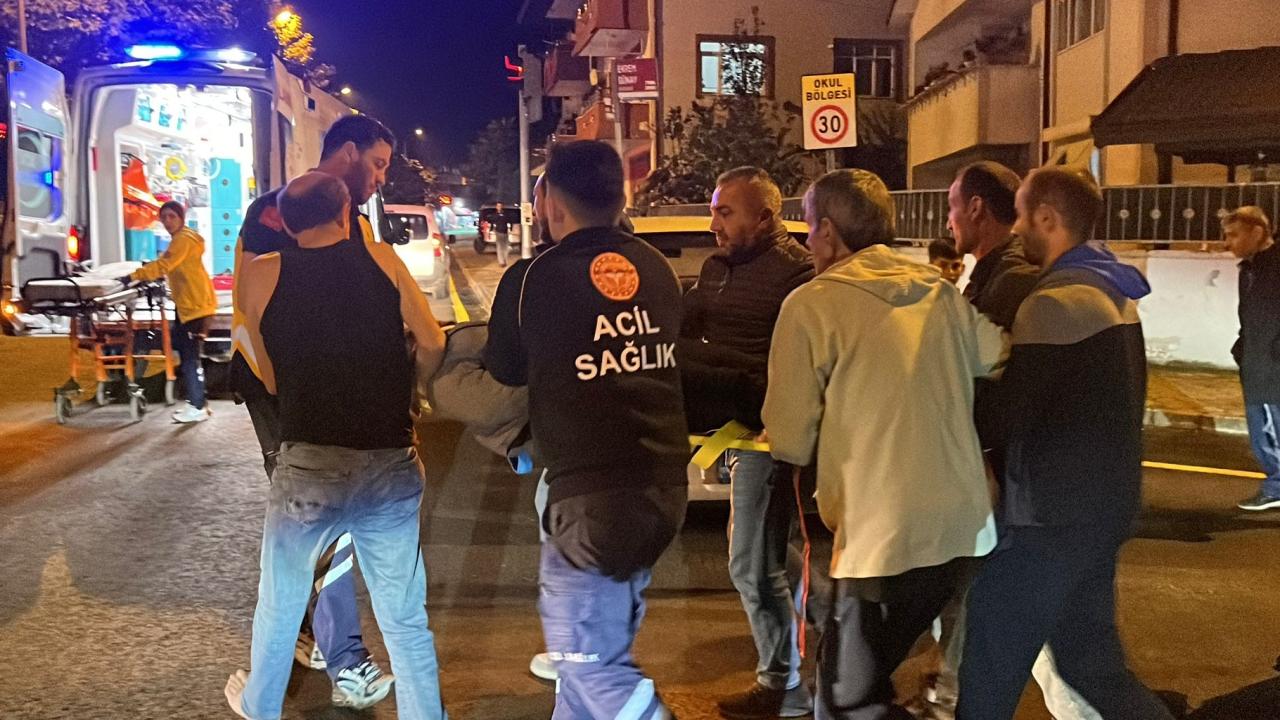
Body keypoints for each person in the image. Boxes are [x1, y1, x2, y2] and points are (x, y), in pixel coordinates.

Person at [763, 168, 1003, 719]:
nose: (807, 241)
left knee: (843, 699)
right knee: (863, 687)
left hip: (881, 536)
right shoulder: (939, 292)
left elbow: (790, 437)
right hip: (961, 526)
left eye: (809, 228)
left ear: (828, 232)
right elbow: (997, 354)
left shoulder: (811, 304)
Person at [226, 171, 448, 720]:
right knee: (403, 617)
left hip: (309, 463)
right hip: (390, 461)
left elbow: (265, 371)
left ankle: (260, 705)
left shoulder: (261, 275)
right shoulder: (382, 260)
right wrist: (414, 387)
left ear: (286, 223)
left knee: (280, 603)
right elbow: (433, 340)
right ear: (346, 213)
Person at [957, 168, 1174, 720]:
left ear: (1047, 218)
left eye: (1022, 216)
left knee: (989, 657)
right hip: (1103, 510)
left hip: (1051, 519)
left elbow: (1006, 417)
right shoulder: (1112, 290)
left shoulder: (1053, 303)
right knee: (1091, 667)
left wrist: (959, 385)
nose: (1016, 229)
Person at [484, 140, 688, 719]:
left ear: (550, 202)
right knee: (587, 662)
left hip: (590, 502)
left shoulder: (535, 277)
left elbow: (505, 369)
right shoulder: (656, 268)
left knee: (586, 663)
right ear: (620, 198)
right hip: (663, 488)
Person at [229, 115, 395, 709]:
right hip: (282, 389)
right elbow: (248, 311)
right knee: (322, 515)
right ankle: (347, 661)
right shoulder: (277, 212)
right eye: (377, 164)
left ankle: (313, 632)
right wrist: (281, 384)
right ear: (347, 152)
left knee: (319, 515)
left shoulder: (357, 220)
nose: (380, 178)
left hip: (334, 388)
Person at [679, 167, 814, 720]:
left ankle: (784, 688)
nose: (713, 224)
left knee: (750, 566)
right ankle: (829, 609)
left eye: (725, 212)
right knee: (766, 554)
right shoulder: (715, 269)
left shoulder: (798, 273)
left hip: (768, 437)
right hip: (727, 432)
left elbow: (797, 362)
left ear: (765, 217)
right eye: (713, 210)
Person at [125, 200, 217, 423]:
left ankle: (197, 406)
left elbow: (164, 265)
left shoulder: (183, 240)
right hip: (191, 305)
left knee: (189, 357)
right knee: (188, 354)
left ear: (181, 218)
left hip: (194, 307)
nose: (167, 221)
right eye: (164, 217)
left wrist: (133, 276)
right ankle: (199, 403)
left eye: (172, 216)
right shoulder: (183, 238)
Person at [1222, 207, 1280, 511]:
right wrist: (1242, 348)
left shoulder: (1273, 266)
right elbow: (1250, 317)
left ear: (1257, 233)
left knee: (1270, 430)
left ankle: (1276, 487)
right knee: (1264, 428)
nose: (1227, 242)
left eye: (1234, 235)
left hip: (1271, 367)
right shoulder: (1250, 269)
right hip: (1257, 363)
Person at [948, 161, 1041, 327]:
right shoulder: (1003, 269)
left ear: (975, 208)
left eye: (952, 207)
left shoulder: (1012, 282)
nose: (948, 225)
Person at [491, 202, 511, 267]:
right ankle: (501, 262)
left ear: (502, 206)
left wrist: (510, 229)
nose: (499, 207)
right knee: (499, 247)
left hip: (505, 232)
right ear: (496, 207)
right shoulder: (495, 215)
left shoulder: (505, 214)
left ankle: (505, 260)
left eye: (500, 206)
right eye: (498, 206)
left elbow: (509, 220)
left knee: (506, 247)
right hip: (498, 232)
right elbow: (493, 221)